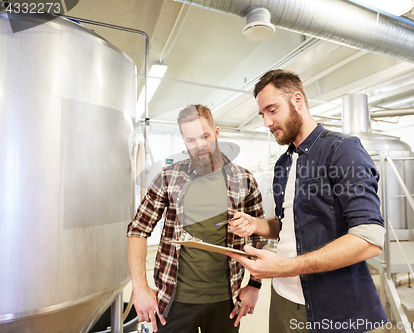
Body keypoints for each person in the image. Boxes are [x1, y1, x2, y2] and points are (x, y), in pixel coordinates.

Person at [227, 70, 388, 333]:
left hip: (329, 305)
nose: (267, 122)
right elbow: (289, 223)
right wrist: (256, 225)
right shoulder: (284, 163)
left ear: (298, 100)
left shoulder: (342, 149)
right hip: (281, 297)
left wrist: (285, 267)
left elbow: (369, 240)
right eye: (262, 115)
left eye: (272, 110)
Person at [127, 104, 267, 333]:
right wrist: (140, 288)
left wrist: (254, 285)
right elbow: (138, 230)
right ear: (184, 142)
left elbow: (260, 234)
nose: (200, 145)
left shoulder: (243, 179)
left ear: (217, 133)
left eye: (205, 136)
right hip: (174, 302)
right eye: (191, 140)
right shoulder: (169, 178)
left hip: (226, 302)